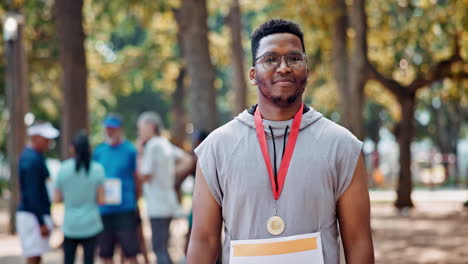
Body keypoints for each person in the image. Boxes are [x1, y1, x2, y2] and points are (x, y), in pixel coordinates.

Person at [187, 19, 374, 264]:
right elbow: (203, 240)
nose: (283, 67)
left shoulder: (342, 146)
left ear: (306, 70)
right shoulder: (216, 148)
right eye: (271, 59)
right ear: (253, 74)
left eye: (294, 58)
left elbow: (358, 240)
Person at [136, 111, 192, 264]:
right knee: (163, 248)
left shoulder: (152, 146)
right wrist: (171, 174)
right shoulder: (164, 143)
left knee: (158, 249)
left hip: (157, 206)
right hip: (169, 202)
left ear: (151, 126)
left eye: (141, 128)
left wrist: (140, 152)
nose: (139, 132)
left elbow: (144, 175)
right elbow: (187, 160)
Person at [93, 114, 140, 264]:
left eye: (112, 128)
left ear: (120, 129)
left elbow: (136, 178)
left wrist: (135, 200)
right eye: (107, 128)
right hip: (104, 209)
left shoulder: (130, 150)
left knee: (130, 251)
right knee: (106, 253)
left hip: (125, 208)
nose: (109, 132)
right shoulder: (99, 151)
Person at [54, 131, 105, 264]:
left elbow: (57, 199)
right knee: (89, 260)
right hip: (91, 223)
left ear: (72, 148)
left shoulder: (63, 169)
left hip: (70, 224)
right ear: (89, 148)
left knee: (68, 260)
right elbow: (101, 200)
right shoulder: (98, 169)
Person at [16, 122, 59, 264]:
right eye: (46, 139)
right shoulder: (31, 159)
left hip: (34, 214)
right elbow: (32, 192)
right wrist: (41, 222)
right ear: (35, 137)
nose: (49, 142)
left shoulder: (35, 157)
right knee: (33, 256)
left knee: (37, 255)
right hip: (32, 215)